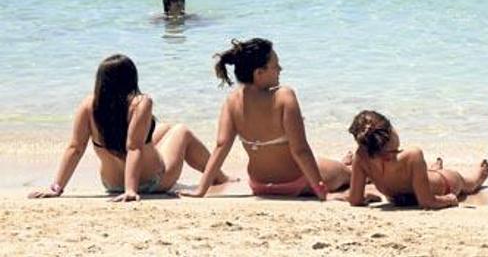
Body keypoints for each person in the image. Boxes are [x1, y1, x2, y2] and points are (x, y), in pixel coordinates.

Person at [28, 55, 230, 202]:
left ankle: (218, 175)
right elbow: (134, 147)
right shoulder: (141, 103)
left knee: (165, 129)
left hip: (111, 184)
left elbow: (75, 148)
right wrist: (131, 190)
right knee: (181, 131)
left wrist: (56, 188)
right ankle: (220, 177)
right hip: (153, 182)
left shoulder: (88, 105)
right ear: (131, 79)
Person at [180, 38, 350, 199]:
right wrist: (321, 192)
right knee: (346, 173)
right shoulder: (284, 96)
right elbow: (301, 150)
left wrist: (201, 190)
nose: (280, 70)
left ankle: (342, 163)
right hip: (296, 182)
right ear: (259, 73)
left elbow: (221, 146)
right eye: (275, 66)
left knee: (328, 164)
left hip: (259, 185)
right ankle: (347, 166)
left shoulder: (232, 101)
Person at [346, 110, 488, 209]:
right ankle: (477, 178)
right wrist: (448, 200)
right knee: (466, 182)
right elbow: (427, 202)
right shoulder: (412, 155)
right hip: (446, 183)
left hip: (409, 192)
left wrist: (367, 197)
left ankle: (432, 170)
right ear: (389, 134)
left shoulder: (360, 157)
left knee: (425, 174)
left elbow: (354, 200)